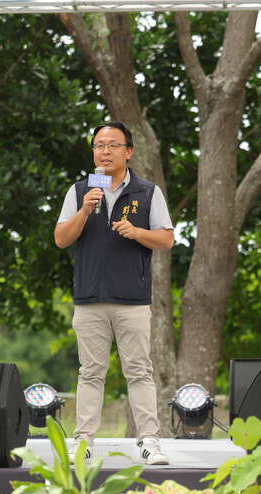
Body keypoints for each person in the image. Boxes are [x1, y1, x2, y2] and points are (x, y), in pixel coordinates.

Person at [54, 121, 175, 465]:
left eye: (112, 145)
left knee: (139, 371)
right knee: (90, 372)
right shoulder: (81, 191)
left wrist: (137, 232)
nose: (104, 151)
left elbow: (167, 239)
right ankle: (83, 441)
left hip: (132, 300)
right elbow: (62, 239)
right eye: (98, 145)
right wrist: (85, 210)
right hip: (89, 299)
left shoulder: (147, 192)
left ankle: (149, 440)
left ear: (128, 152)